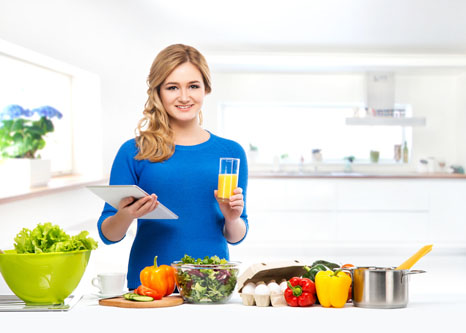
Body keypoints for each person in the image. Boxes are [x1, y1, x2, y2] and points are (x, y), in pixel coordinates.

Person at [97, 44, 248, 290]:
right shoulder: (134, 150)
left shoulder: (230, 153)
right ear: (158, 91)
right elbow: (109, 235)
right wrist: (127, 215)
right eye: (172, 87)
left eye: (193, 86)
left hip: (211, 284)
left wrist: (232, 218)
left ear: (206, 89)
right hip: (150, 284)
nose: (184, 97)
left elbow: (237, 236)